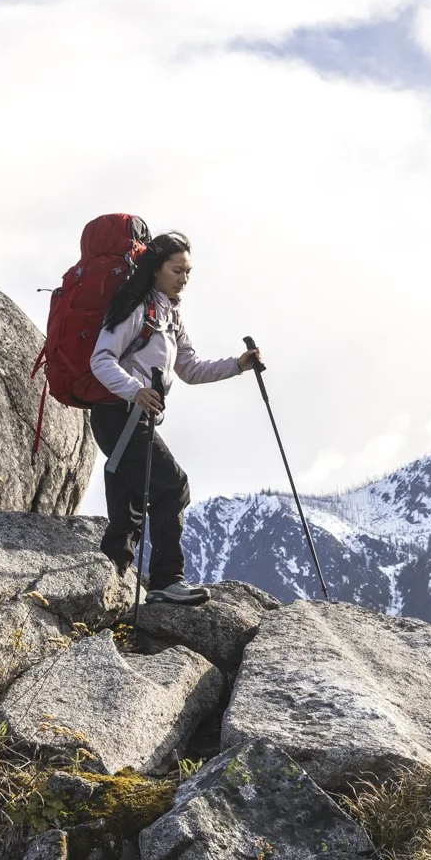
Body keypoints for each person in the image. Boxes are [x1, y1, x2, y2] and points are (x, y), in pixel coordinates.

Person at [88, 231, 262, 605]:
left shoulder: (169, 314)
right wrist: (135, 389)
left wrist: (238, 365)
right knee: (172, 486)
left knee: (132, 502)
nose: (184, 277)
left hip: (135, 417)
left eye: (188, 271)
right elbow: (101, 358)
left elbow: (190, 368)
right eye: (177, 269)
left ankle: (111, 581)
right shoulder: (135, 308)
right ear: (155, 270)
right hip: (119, 416)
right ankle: (167, 580)